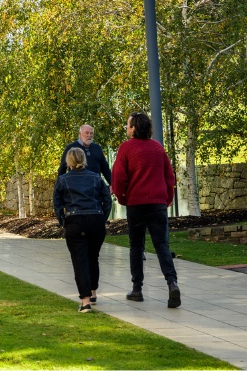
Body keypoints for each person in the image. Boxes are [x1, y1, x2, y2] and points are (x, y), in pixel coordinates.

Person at [111, 111, 181, 308]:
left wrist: (123, 198)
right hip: (157, 203)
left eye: (128, 124)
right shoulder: (158, 148)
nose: (126, 127)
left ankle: (137, 289)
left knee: (136, 246)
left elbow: (118, 177)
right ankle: (172, 282)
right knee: (162, 246)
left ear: (134, 127)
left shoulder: (126, 148)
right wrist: (166, 199)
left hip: (136, 203)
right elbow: (169, 176)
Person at [54, 148, 112, 313]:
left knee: (80, 261)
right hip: (96, 220)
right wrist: (103, 217)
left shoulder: (63, 180)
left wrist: (63, 221)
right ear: (84, 161)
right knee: (93, 257)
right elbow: (107, 200)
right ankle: (93, 292)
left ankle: (85, 301)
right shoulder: (96, 178)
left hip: (75, 221)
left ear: (69, 162)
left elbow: (57, 205)